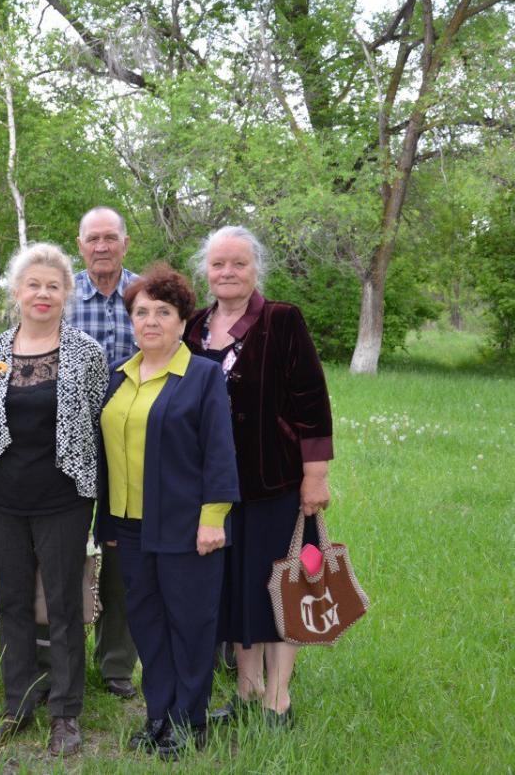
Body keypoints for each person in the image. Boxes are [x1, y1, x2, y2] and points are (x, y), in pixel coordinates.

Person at [184, 225, 333, 729]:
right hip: (214, 489)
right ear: (206, 270)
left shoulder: (282, 320)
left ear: (255, 269)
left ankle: (278, 699)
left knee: (278, 587)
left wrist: (316, 476)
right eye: (219, 264)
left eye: (239, 264)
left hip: (275, 483)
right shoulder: (193, 326)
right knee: (234, 589)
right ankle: (246, 694)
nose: (228, 272)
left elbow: (312, 402)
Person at [96, 265, 239, 758]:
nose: (151, 321)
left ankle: (187, 722)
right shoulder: (119, 378)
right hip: (131, 529)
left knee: (191, 625)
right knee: (148, 625)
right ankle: (158, 714)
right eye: (141, 312)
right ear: (131, 320)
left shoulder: (201, 376)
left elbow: (220, 450)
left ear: (183, 322)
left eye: (163, 312)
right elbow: (107, 459)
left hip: (187, 526)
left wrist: (214, 516)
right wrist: (108, 526)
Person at [0, 243, 108, 757]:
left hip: (63, 497)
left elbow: (95, 421)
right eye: (34, 284)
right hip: (1, 497)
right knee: (10, 602)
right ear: (16, 292)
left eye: (53, 285)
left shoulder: (85, 352)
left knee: (64, 604)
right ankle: (18, 703)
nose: (43, 293)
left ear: (67, 293)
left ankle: (66, 712)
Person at [67, 206, 140, 699]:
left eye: (110, 237)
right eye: (92, 238)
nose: (101, 246)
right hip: (69, 441)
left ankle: (116, 663)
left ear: (125, 243)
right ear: (80, 246)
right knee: (65, 548)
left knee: (122, 552)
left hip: (133, 444)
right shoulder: (64, 295)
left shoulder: (146, 296)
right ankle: (60, 656)